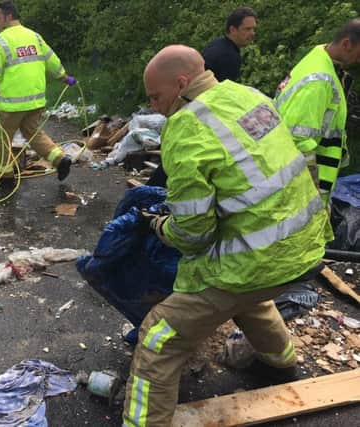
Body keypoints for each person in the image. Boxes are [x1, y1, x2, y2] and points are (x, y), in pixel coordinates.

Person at [122, 45, 329, 427]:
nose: (153, 107)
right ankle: (281, 362)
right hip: (305, 247)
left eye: (156, 96)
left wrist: (159, 226)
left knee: (159, 336)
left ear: (182, 83)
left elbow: (194, 234)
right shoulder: (248, 94)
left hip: (259, 259)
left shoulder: (185, 128)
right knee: (247, 297)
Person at [0, 1, 76, 181]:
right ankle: (60, 159)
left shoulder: (0, 42)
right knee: (33, 133)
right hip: (35, 103)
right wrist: (64, 77)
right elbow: (52, 60)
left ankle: (5, 175)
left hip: (11, 106)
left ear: (8, 16)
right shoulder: (35, 37)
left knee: (1, 138)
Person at [275, 18, 360, 205]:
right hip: (306, 189)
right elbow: (298, 140)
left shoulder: (317, 56)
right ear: (347, 44)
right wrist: (312, 193)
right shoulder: (319, 82)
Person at [202, 6, 257, 82]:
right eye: (247, 29)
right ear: (233, 30)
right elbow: (224, 91)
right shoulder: (229, 56)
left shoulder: (217, 43)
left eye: (253, 29)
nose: (252, 33)